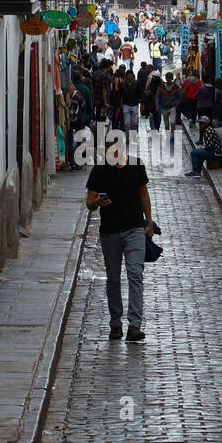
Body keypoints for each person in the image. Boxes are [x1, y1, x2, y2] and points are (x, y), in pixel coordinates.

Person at [86, 146, 154, 343]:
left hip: (134, 230)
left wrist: (148, 222)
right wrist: (97, 203)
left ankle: (134, 326)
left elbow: (144, 194)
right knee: (113, 279)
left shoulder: (136, 166)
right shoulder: (99, 170)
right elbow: (89, 203)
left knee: (135, 274)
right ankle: (115, 323)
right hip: (110, 232)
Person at [157, 72, 181, 146]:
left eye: (170, 78)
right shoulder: (161, 87)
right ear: (166, 78)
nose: (169, 80)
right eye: (168, 78)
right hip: (164, 108)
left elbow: (179, 97)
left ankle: (172, 137)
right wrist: (157, 105)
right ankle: (168, 136)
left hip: (172, 107)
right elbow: (157, 96)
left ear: (172, 79)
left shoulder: (176, 87)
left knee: (173, 122)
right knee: (166, 124)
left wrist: (176, 105)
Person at [119, 68, 144, 133]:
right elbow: (119, 95)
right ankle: (128, 138)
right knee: (127, 123)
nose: (129, 77)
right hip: (126, 104)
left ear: (133, 76)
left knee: (135, 123)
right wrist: (119, 106)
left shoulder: (137, 83)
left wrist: (142, 103)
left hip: (135, 105)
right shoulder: (122, 84)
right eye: (128, 76)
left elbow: (140, 93)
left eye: (131, 76)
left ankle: (133, 136)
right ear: (126, 76)